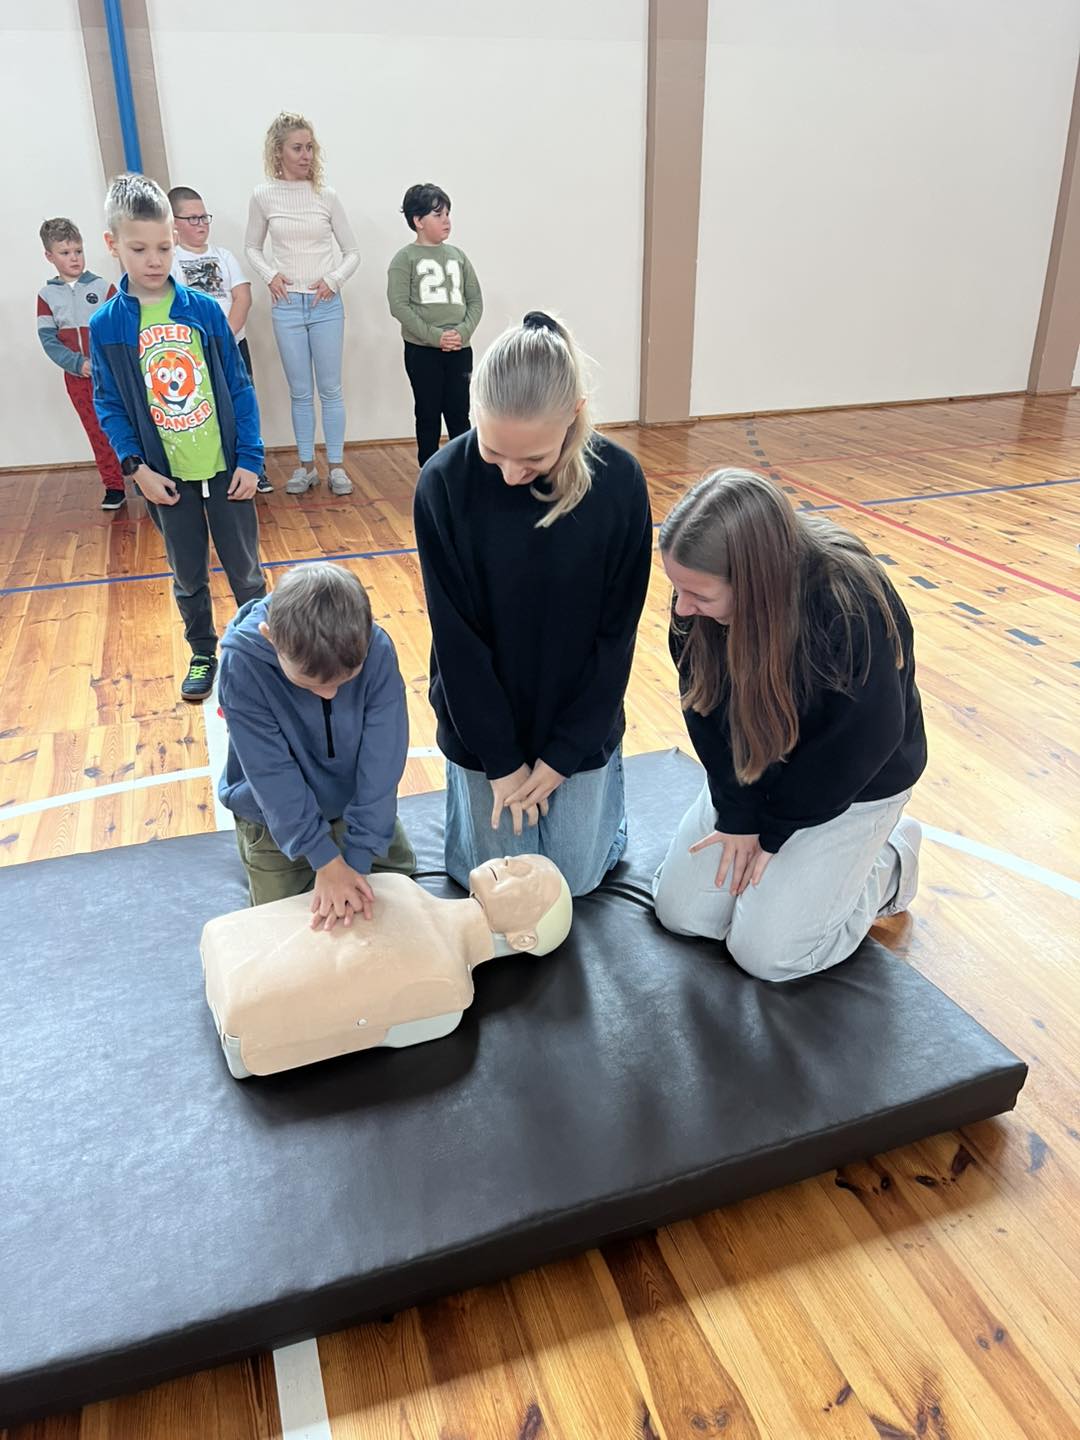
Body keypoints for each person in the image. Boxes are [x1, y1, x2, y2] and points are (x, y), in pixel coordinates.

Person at [652, 469, 927, 983]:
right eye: (677, 589)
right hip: (762, 766)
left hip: (851, 783)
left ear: (754, 584)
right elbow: (705, 713)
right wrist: (739, 815)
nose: (682, 608)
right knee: (684, 915)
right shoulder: (697, 604)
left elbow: (855, 748)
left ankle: (891, 859)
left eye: (699, 596)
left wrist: (774, 832)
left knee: (768, 955)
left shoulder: (847, 602)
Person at [414, 311, 653, 897]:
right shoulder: (443, 484)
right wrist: (501, 763)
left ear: (575, 413)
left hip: (576, 715)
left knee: (571, 883)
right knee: (500, 889)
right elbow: (458, 643)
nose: (512, 475)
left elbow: (615, 639)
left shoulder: (619, 483)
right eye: (495, 453)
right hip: (482, 722)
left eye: (535, 460)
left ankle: (605, 817)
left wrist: (562, 758)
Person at [90, 173, 266, 703]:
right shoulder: (107, 325)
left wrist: (251, 457)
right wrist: (136, 467)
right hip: (165, 479)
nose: (153, 259)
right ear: (113, 245)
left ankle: (260, 646)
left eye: (164, 247)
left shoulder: (205, 311)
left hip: (224, 467)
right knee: (187, 573)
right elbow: (109, 403)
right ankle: (203, 650)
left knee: (247, 572)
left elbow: (238, 385)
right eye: (139, 248)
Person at [202, 854, 573, 1078]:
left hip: (249, 1008)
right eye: (520, 858)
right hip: (237, 961)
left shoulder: (447, 986)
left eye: (527, 880)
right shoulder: (399, 885)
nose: (512, 863)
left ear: (524, 939)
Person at [216, 562, 416, 926]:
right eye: (310, 684)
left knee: (401, 888)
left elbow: (383, 758)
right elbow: (270, 773)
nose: (330, 694)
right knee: (284, 923)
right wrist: (322, 857)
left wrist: (355, 861)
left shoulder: (378, 648)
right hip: (273, 814)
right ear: (270, 637)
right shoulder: (242, 663)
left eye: (346, 679)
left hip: (352, 798)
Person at [245, 112, 359, 497]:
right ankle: (306, 465)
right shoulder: (263, 195)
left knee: (330, 389)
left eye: (310, 147)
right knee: (299, 391)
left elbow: (352, 252)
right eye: (298, 148)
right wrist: (269, 275)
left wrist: (333, 280)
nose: (306, 154)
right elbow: (251, 247)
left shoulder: (326, 197)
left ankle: (338, 467)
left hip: (326, 304)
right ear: (279, 152)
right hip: (288, 306)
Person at [168, 185, 272, 494]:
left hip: (232, 345)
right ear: (174, 223)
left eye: (204, 217)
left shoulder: (224, 256)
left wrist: (223, 337)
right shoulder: (171, 260)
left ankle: (254, 467)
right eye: (193, 218)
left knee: (242, 404)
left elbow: (242, 297)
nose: (201, 224)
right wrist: (204, 343)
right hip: (193, 352)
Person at [387, 182, 483, 469]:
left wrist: (462, 333)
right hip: (423, 351)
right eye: (438, 215)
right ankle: (428, 469)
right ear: (418, 221)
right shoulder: (404, 260)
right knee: (428, 412)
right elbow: (399, 306)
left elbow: (475, 300)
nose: (446, 221)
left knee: (458, 412)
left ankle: (464, 469)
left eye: (448, 214)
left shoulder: (458, 256)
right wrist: (435, 337)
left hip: (460, 349)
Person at [35, 217, 125, 510]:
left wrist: (106, 363)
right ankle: (114, 485)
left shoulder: (103, 287)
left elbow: (119, 328)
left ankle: (145, 475)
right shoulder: (46, 296)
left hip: (112, 375)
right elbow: (49, 341)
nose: (73, 258)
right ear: (50, 256)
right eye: (65, 253)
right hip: (78, 380)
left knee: (127, 425)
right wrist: (77, 364)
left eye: (77, 250)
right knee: (96, 430)